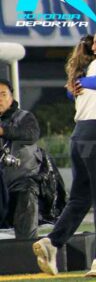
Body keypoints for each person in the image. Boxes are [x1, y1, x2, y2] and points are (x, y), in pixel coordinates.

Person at [33, 25, 96, 278]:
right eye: (95, 43)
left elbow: (76, 93)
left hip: (79, 134)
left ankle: (52, 242)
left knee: (81, 198)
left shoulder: (89, 68)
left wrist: (75, 85)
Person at [0, 79, 42, 240]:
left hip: (21, 180)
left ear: (11, 98)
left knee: (27, 194)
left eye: (3, 94)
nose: (0, 99)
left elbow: (31, 135)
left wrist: (3, 131)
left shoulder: (25, 117)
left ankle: (28, 252)